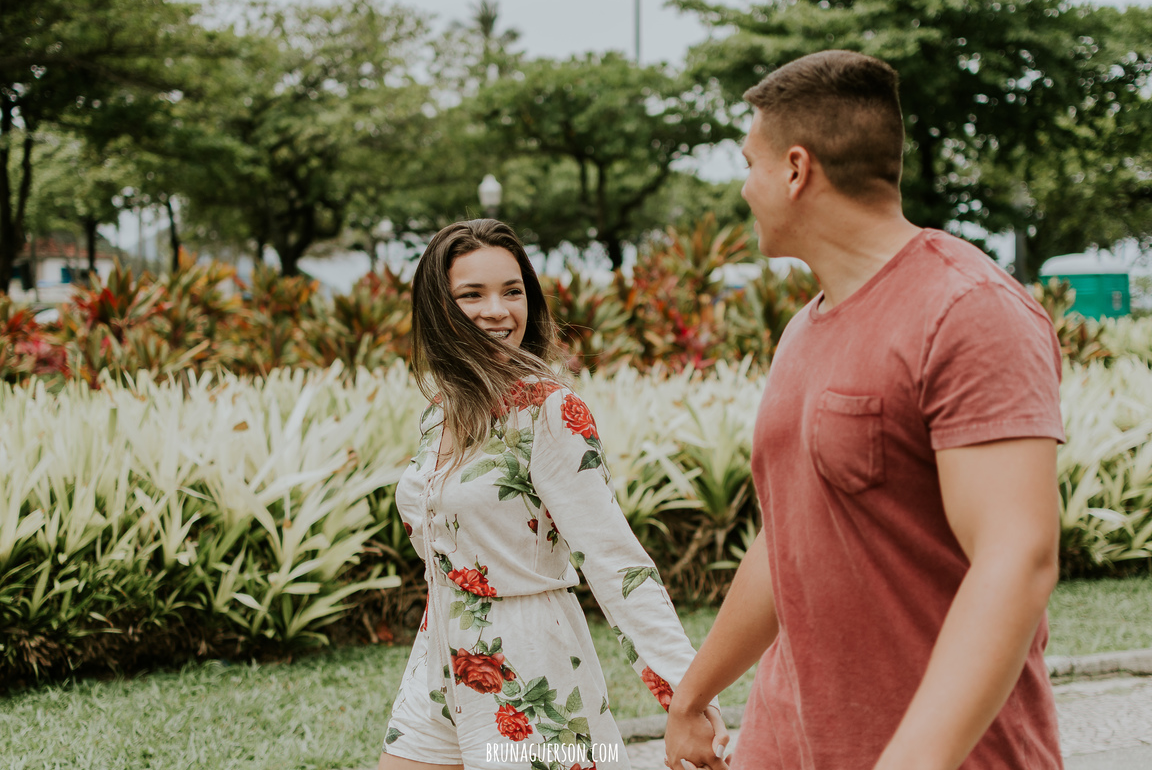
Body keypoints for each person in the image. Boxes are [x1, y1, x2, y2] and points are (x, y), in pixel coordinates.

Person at [664, 50, 1065, 770]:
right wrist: (693, 696)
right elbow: (786, 534)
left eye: (749, 165)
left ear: (796, 169)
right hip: (787, 746)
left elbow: (1018, 557)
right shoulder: (803, 331)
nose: (745, 189)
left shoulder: (968, 310)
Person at [378, 219, 728, 770]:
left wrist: (686, 696)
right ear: (437, 308)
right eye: (472, 294)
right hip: (440, 655)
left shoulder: (550, 411)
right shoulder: (439, 414)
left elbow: (615, 560)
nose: (498, 310)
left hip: (529, 664)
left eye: (512, 291)